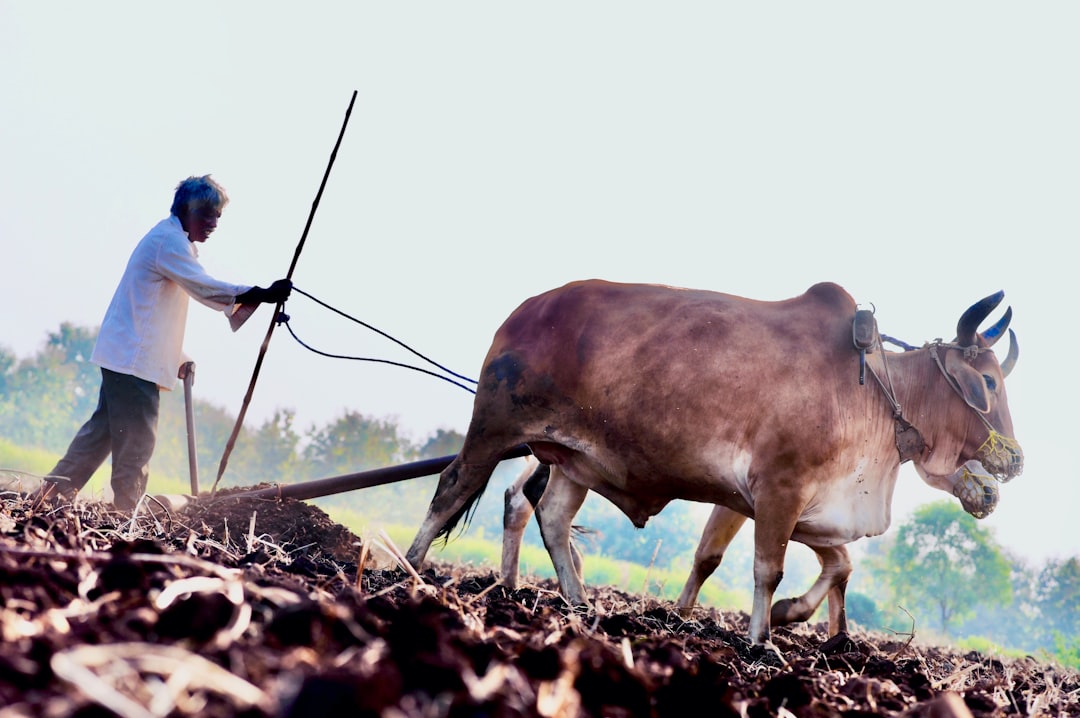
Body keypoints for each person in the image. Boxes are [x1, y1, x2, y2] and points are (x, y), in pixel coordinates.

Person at [37, 175, 291, 510]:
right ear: (186, 210)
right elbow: (203, 286)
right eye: (206, 215)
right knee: (138, 440)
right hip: (132, 360)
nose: (213, 224)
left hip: (126, 353)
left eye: (217, 217)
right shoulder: (168, 242)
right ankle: (127, 511)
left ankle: (50, 494)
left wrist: (178, 356)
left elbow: (152, 311)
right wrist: (261, 293)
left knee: (102, 434)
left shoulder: (174, 242)